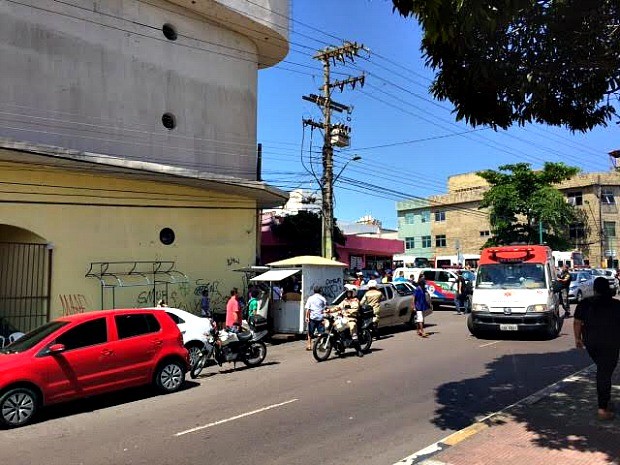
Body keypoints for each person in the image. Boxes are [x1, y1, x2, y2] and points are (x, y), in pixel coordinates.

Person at [574, 277, 620, 421]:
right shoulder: (616, 305)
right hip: (611, 342)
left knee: (603, 369)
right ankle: (602, 408)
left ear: (594, 288)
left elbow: (577, 322)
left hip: (592, 343)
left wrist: (578, 339)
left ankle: (605, 402)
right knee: (604, 373)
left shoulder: (585, 303)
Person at [337, 287, 364, 357]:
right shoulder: (345, 300)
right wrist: (330, 310)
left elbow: (355, 309)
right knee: (336, 326)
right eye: (347, 292)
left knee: (352, 328)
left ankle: (359, 350)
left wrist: (346, 311)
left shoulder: (355, 300)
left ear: (353, 293)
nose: (348, 294)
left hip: (353, 318)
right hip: (345, 318)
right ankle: (341, 346)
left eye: (349, 292)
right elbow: (339, 307)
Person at [305, 285, 327, 351]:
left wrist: (307, 317)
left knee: (310, 332)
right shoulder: (323, 298)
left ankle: (309, 345)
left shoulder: (310, 298)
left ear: (314, 291)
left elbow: (308, 309)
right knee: (321, 333)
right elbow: (326, 308)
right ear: (320, 291)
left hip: (312, 318)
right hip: (320, 318)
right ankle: (321, 345)